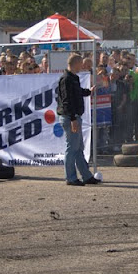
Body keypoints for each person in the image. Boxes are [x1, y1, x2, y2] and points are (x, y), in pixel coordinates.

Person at [56, 54, 100, 186]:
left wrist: (88, 91)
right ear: (75, 63)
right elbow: (66, 100)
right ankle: (70, 177)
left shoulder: (73, 78)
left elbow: (77, 92)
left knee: (78, 148)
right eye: (81, 64)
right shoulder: (66, 79)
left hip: (73, 117)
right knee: (72, 148)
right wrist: (73, 118)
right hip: (70, 117)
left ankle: (86, 176)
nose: (82, 66)